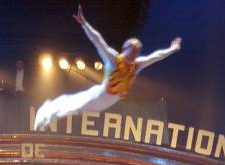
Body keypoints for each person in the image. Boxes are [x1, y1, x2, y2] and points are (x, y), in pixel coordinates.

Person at [34, 5, 181, 131]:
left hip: (107, 103)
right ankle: (44, 114)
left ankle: (47, 114)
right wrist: (84, 23)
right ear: (125, 49)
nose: (135, 54)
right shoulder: (113, 59)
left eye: (137, 52)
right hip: (97, 95)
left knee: (74, 108)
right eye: (133, 51)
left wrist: (172, 49)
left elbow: (156, 56)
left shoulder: (137, 65)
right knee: (70, 104)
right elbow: (98, 41)